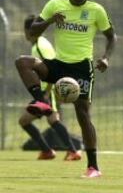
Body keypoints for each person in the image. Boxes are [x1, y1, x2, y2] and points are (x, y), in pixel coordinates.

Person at [15, 0, 116, 178]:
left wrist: (106, 58)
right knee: (22, 62)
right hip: (59, 65)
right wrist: (51, 20)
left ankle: (93, 167)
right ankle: (40, 102)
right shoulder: (55, 4)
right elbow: (34, 29)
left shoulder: (96, 10)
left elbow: (111, 36)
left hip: (81, 68)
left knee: (83, 114)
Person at [19, 15, 81, 161]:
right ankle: (50, 151)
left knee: (50, 120)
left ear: (29, 30)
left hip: (46, 91)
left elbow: (52, 68)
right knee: (32, 120)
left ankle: (69, 151)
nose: (25, 34)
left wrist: (46, 94)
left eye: (25, 30)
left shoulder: (39, 46)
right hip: (45, 91)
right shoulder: (41, 43)